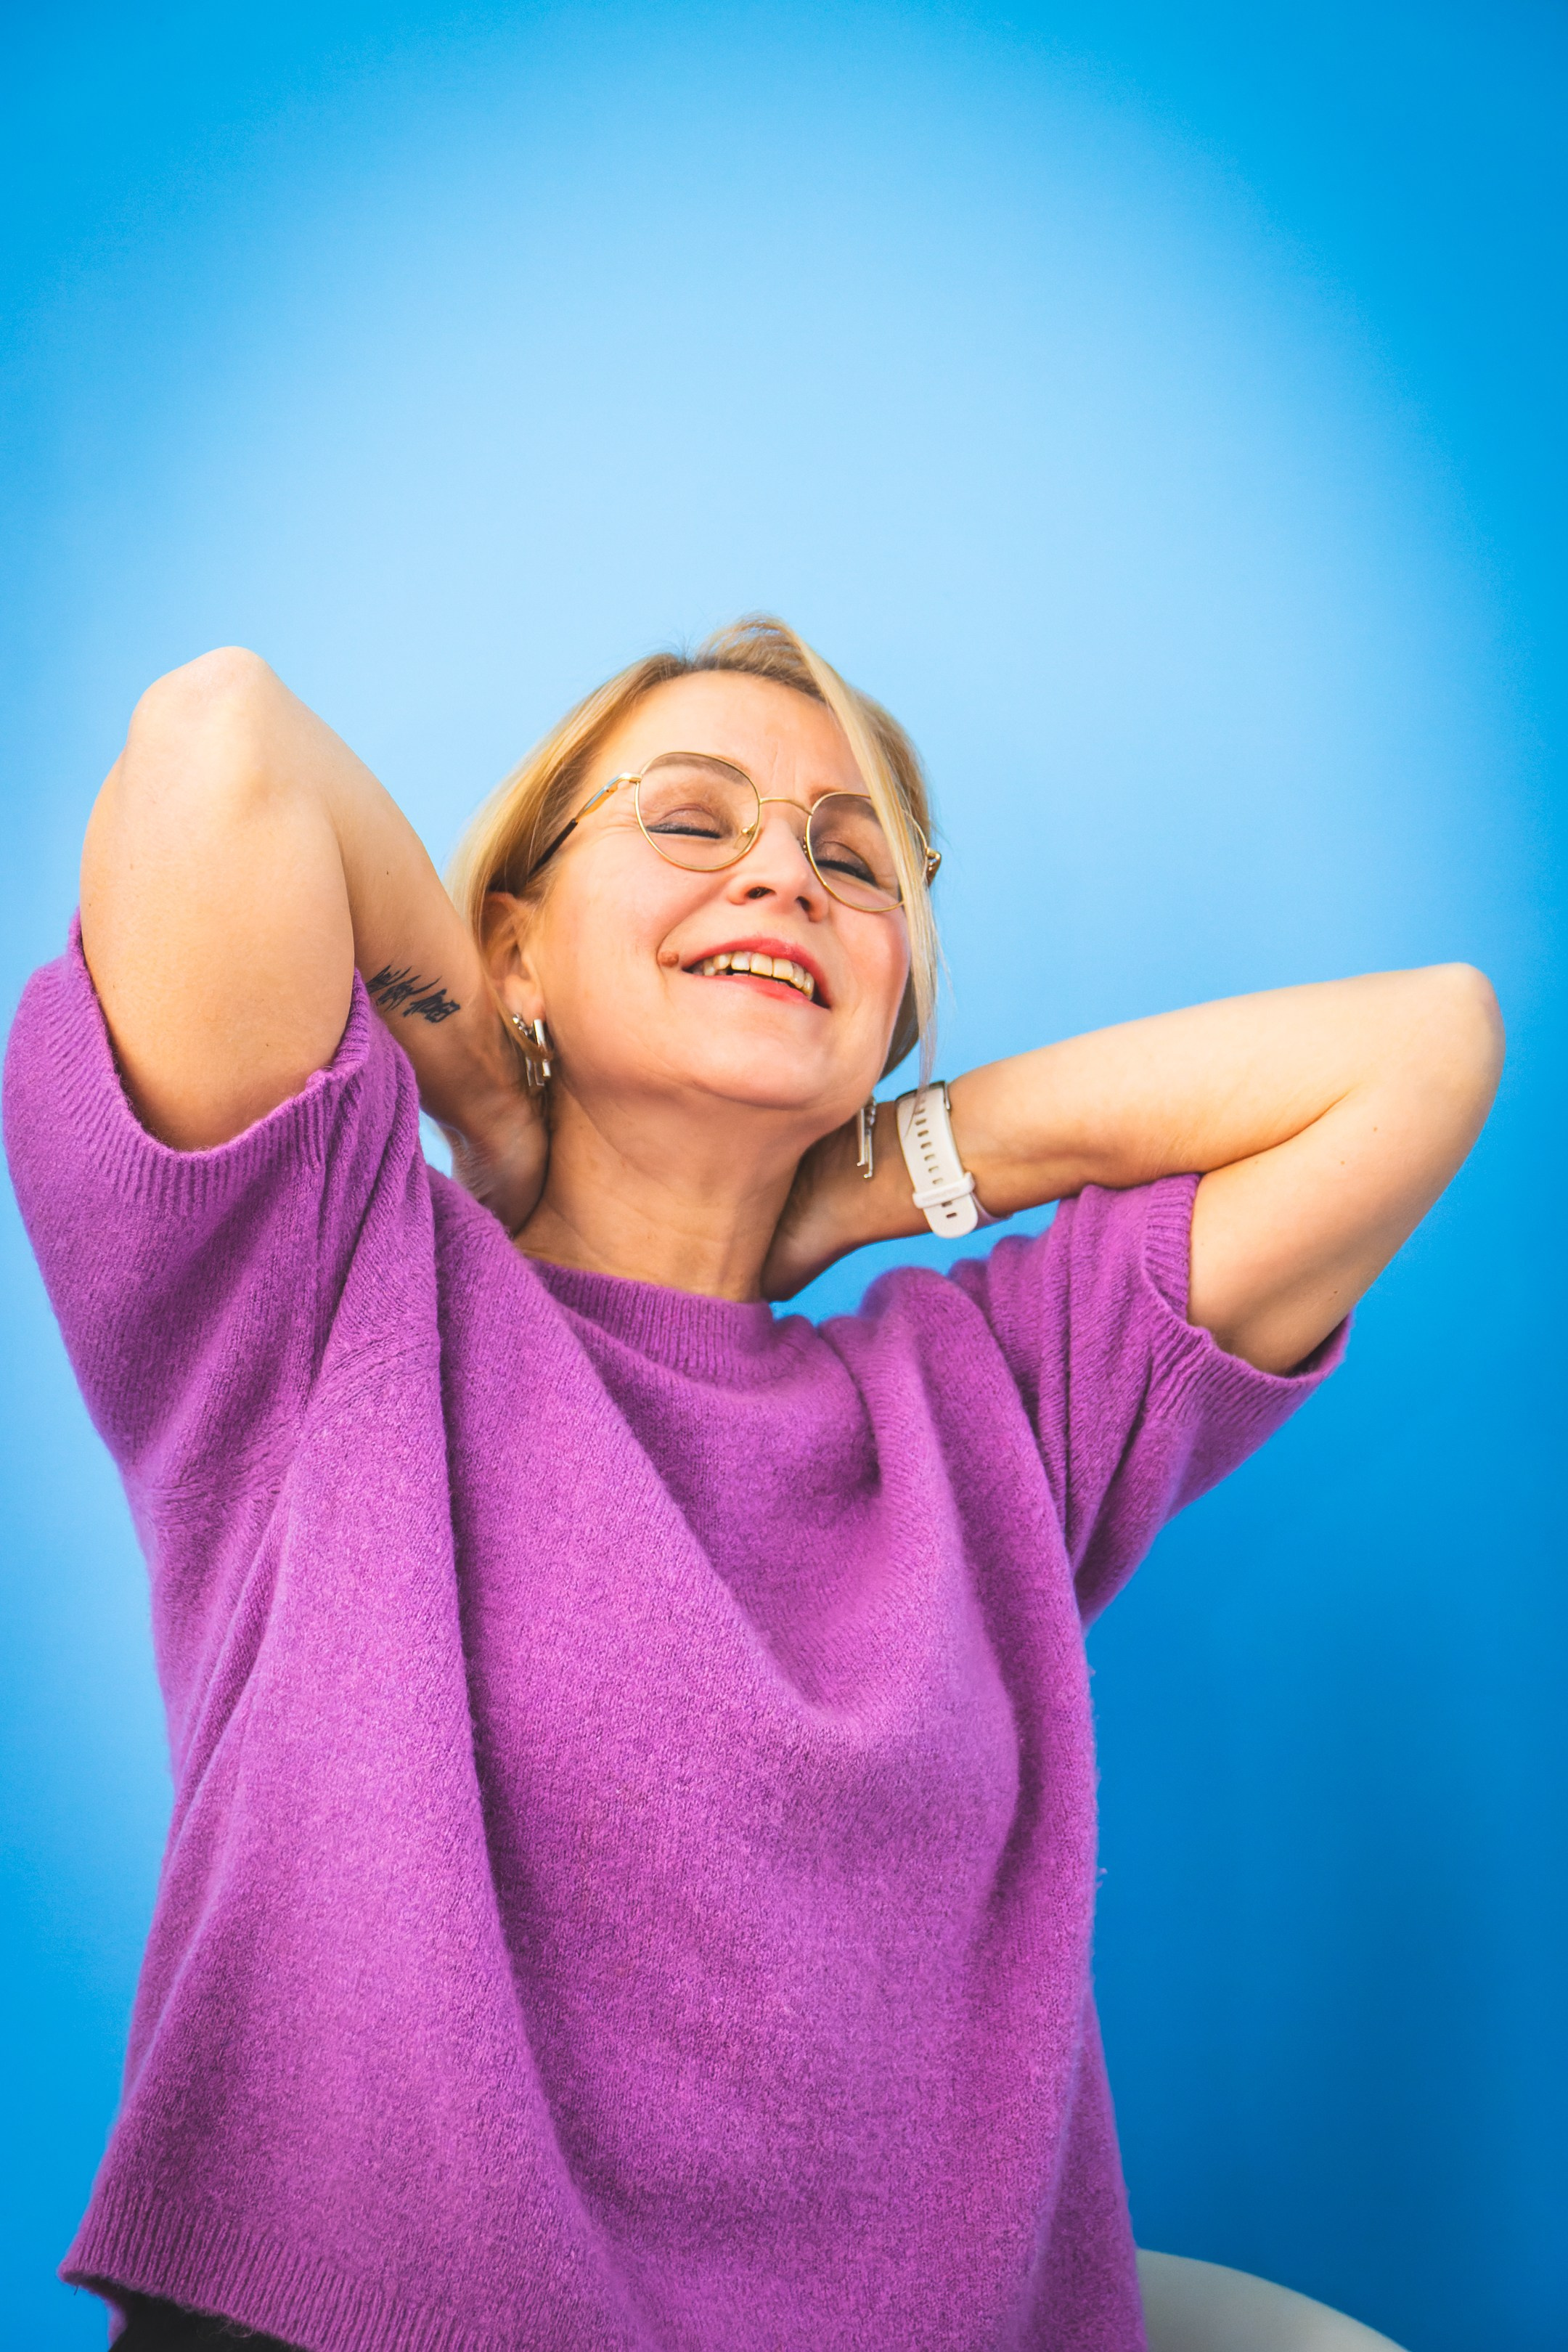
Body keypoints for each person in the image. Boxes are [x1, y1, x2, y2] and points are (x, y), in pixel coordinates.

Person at [4, 618, 1500, 2352]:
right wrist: (482, 1085)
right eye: (692, 823)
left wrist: (892, 1172)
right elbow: (218, 742)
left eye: (852, 861)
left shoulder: (988, 1408)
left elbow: (1425, 1052)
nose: (785, 875)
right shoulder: (329, 1292)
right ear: (516, 946)